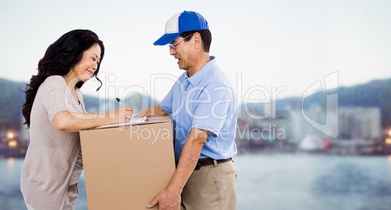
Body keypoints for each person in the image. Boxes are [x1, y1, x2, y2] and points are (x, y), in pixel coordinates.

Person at [20, 29, 133, 210]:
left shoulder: (77, 95)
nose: (95, 65)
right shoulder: (54, 82)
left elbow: (83, 127)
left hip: (67, 186)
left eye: (98, 61)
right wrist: (109, 117)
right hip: (44, 186)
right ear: (75, 52)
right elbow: (62, 122)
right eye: (93, 58)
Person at [137, 11, 238, 210]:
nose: (171, 52)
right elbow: (162, 109)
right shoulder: (184, 81)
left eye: (174, 44)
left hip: (209, 178)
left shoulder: (215, 84)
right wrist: (130, 120)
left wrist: (173, 191)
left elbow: (197, 138)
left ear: (196, 40)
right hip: (185, 173)